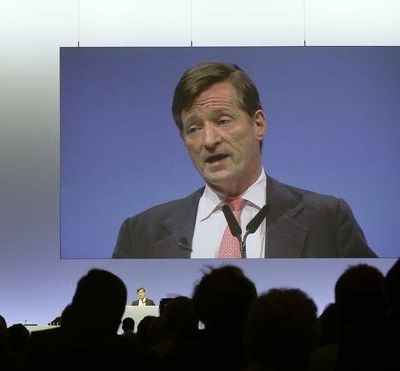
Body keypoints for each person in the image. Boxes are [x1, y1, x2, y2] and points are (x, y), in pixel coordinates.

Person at [112, 61, 376, 259]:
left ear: (258, 124)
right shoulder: (141, 233)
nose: (209, 140)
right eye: (193, 128)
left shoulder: (326, 220)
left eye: (223, 120)